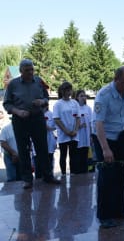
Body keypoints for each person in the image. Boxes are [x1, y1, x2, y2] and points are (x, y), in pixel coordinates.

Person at [2, 59, 60, 189]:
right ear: (21, 71)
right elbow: (6, 104)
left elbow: (47, 98)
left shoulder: (39, 81)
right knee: (23, 149)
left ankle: (47, 175)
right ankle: (27, 179)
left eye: (32, 69)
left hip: (37, 118)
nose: (30, 72)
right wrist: (17, 111)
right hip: (20, 120)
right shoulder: (13, 84)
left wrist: (42, 101)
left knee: (42, 148)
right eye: (27, 70)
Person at [92, 66, 124, 228]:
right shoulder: (103, 95)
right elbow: (98, 124)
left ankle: (118, 211)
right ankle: (104, 215)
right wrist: (105, 149)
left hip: (122, 137)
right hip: (104, 137)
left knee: (121, 175)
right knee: (106, 176)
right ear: (116, 79)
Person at [53, 82, 80, 175]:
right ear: (62, 91)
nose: (69, 92)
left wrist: (76, 130)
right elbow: (57, 119)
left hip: (74, 133)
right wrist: (66, 131)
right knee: (63, 154)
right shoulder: (58, 104)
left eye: (70, 90)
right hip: (63, 134)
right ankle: (64, 173)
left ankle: (73, 172)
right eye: (67, 90)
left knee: (73, 155)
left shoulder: (74, 103)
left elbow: (78, 117)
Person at [75, 90, 93, 173]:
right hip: (77, 136)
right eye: (81, 96)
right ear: (77, 97)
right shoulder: (75, 108)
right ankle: (78, 172)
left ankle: (86, 172)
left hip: (86, 136)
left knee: (86, 155)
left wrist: (91, 135)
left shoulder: (88, 108)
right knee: (78, 155)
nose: (83, 97)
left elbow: (91, 122)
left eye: (84, 96)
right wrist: (79, 126)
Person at [43, 104, 57, 171]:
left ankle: (50, 173)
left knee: (50, 157)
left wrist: (49, 128)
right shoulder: (36, 115)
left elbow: (55, 126)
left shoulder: (51, 114)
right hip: (40, 139)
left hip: (50, 140)